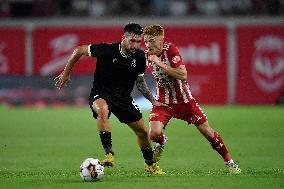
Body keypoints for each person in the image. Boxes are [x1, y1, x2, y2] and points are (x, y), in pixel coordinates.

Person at [54, 23, 165, 175]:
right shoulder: (107, 50)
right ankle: (109, 154)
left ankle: (150, 164)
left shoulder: (139, 57)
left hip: (123, 100)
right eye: (132, 41)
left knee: (143, 133)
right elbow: (79, 50)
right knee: (102, 109)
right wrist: (66, 73)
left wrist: (153, 100)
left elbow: (140, 82)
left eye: (139, 42)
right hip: (101, 94)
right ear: (123, 38)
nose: (135, 45)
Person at [143, 24, 241, 174]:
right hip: (163, 102)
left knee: (208, 133)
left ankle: (230, 163)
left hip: (185, 102)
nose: (148, 45)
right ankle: (162, 142)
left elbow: (183, 74)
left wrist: (159, 63)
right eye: (146, 41)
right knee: (154, 134)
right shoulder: (146, 54)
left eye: (152, 41)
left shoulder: (170, 50)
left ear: (161, 40)